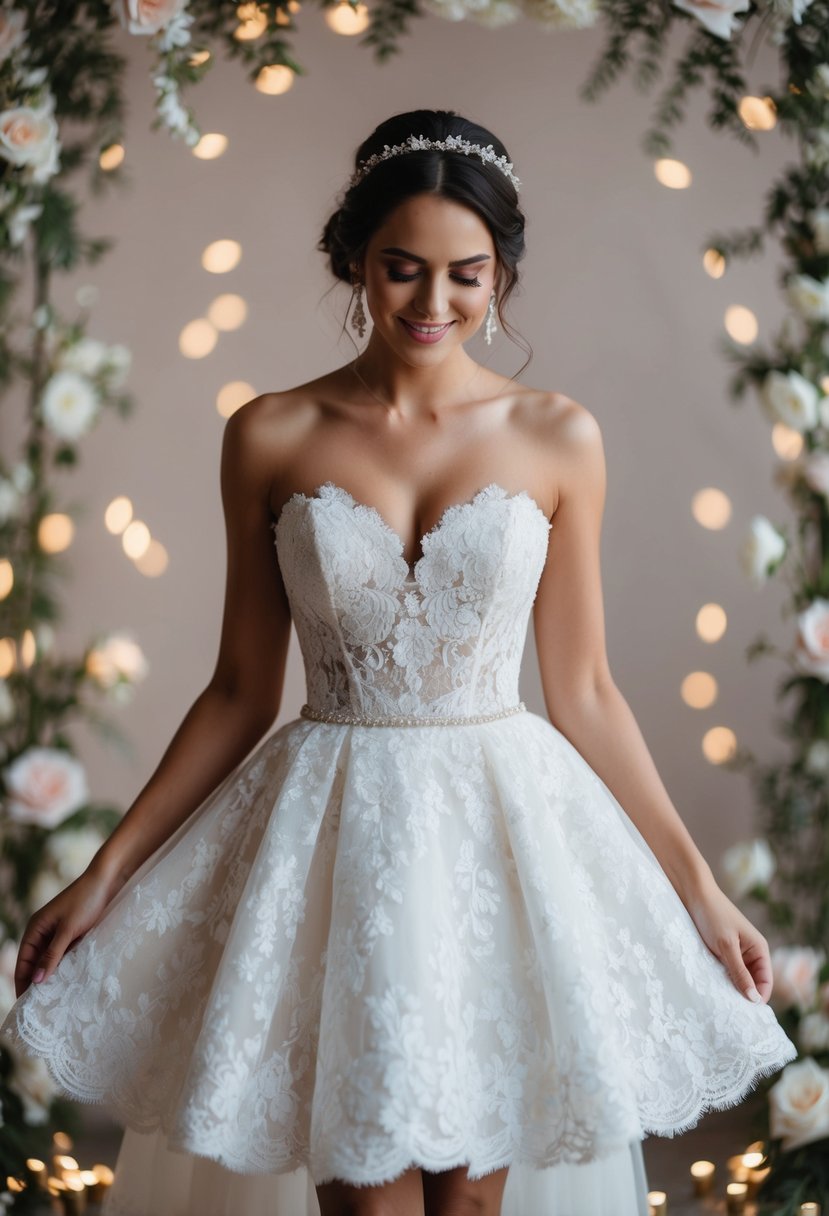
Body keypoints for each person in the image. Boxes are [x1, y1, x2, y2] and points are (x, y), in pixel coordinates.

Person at [1, 108, 797, 1216]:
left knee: (472, 1204)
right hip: (338, 842)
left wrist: (699, 891)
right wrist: (107, 872)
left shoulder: (560, 435)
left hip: (502, 839)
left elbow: (585, 690)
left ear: (502, 271)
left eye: (466, 274)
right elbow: (239, 689)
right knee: (364, 1203)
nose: (433, 305)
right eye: (401, 270)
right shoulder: (271, 433)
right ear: (354, 262)